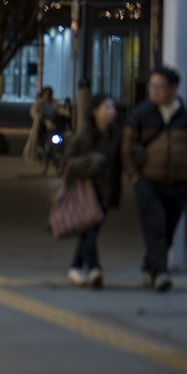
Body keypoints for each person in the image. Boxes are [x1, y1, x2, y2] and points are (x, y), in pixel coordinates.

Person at [123, 65, 187, 293]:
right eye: (152, 86)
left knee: (168, 229)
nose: (155, 91)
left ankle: (150, 266)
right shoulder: (141, 114)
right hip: (147, 181)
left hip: (179, 183)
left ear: (174, 88)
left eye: (160, 86)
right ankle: (160, 273)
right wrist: (134, 176)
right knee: (156, 225)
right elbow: (127, 147)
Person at [62, 95, 122, 287]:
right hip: (86, 191)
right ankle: (95, 269)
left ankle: (75, 267)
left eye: (113, 108)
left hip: (106, 192)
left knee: (89, 232)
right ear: (95, 111)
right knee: (90, 231)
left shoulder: (116, 135)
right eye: (107, 108)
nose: (112, 112)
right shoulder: (84, 134)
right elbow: (69, 160)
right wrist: (91, 162)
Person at [24, 86, 59, 165]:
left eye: (49, 94)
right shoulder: (39, 104)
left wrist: (66, 113)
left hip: (52, 124)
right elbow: (33, 111)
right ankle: (41, 148)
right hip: (42, 123)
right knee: (40, 134)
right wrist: (38, 116)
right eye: (46, 93)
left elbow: (59, 110)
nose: (48, 95)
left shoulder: (54, 103)